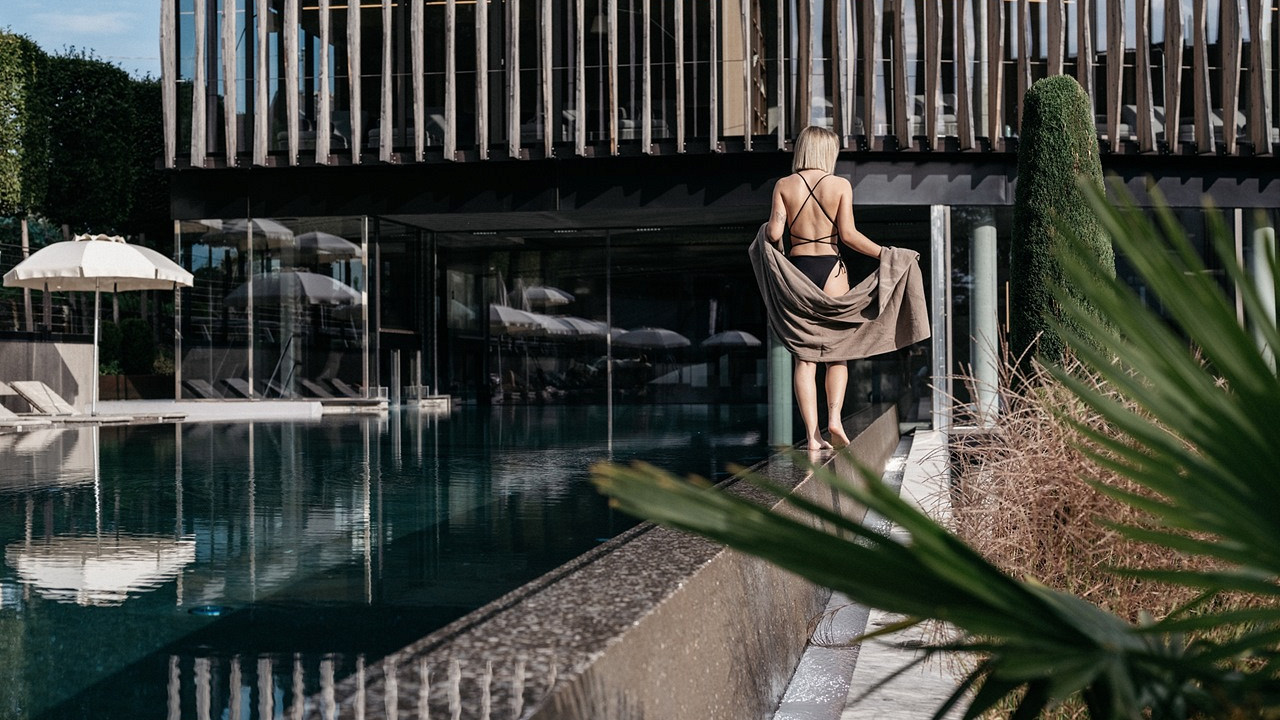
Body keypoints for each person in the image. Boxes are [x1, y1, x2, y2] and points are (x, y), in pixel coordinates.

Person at [765, 126, 883, 450]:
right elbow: (848, 235)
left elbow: (775, 231)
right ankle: (834, 419)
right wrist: (883, 253)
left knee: (805, 359)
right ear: (826, 152)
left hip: (798, 272)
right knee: (837, 356)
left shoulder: (784, 185)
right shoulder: (840, 185)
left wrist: (774, 225)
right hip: (832, 271)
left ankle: (813, 436)